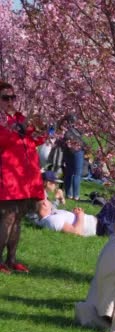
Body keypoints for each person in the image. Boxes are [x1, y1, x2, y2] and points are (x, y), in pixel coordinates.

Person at [0, 81, 47, 274]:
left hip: (26, 179)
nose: (10, 101)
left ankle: (11, 259)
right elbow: (3, 142)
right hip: (8, 178)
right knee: (7, 218)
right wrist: (18, 129)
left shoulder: (19, 118)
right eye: (5, 98)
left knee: (18, 218)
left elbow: (36, 140)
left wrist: (40, 128)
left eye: (13, 97)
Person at [59, 114, 86, 200]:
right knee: (77, 173)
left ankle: (68, 194)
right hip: (77, 151)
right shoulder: (77, 129)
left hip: (67, 151)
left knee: (69, 172)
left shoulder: (63, 129)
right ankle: (76, 195)